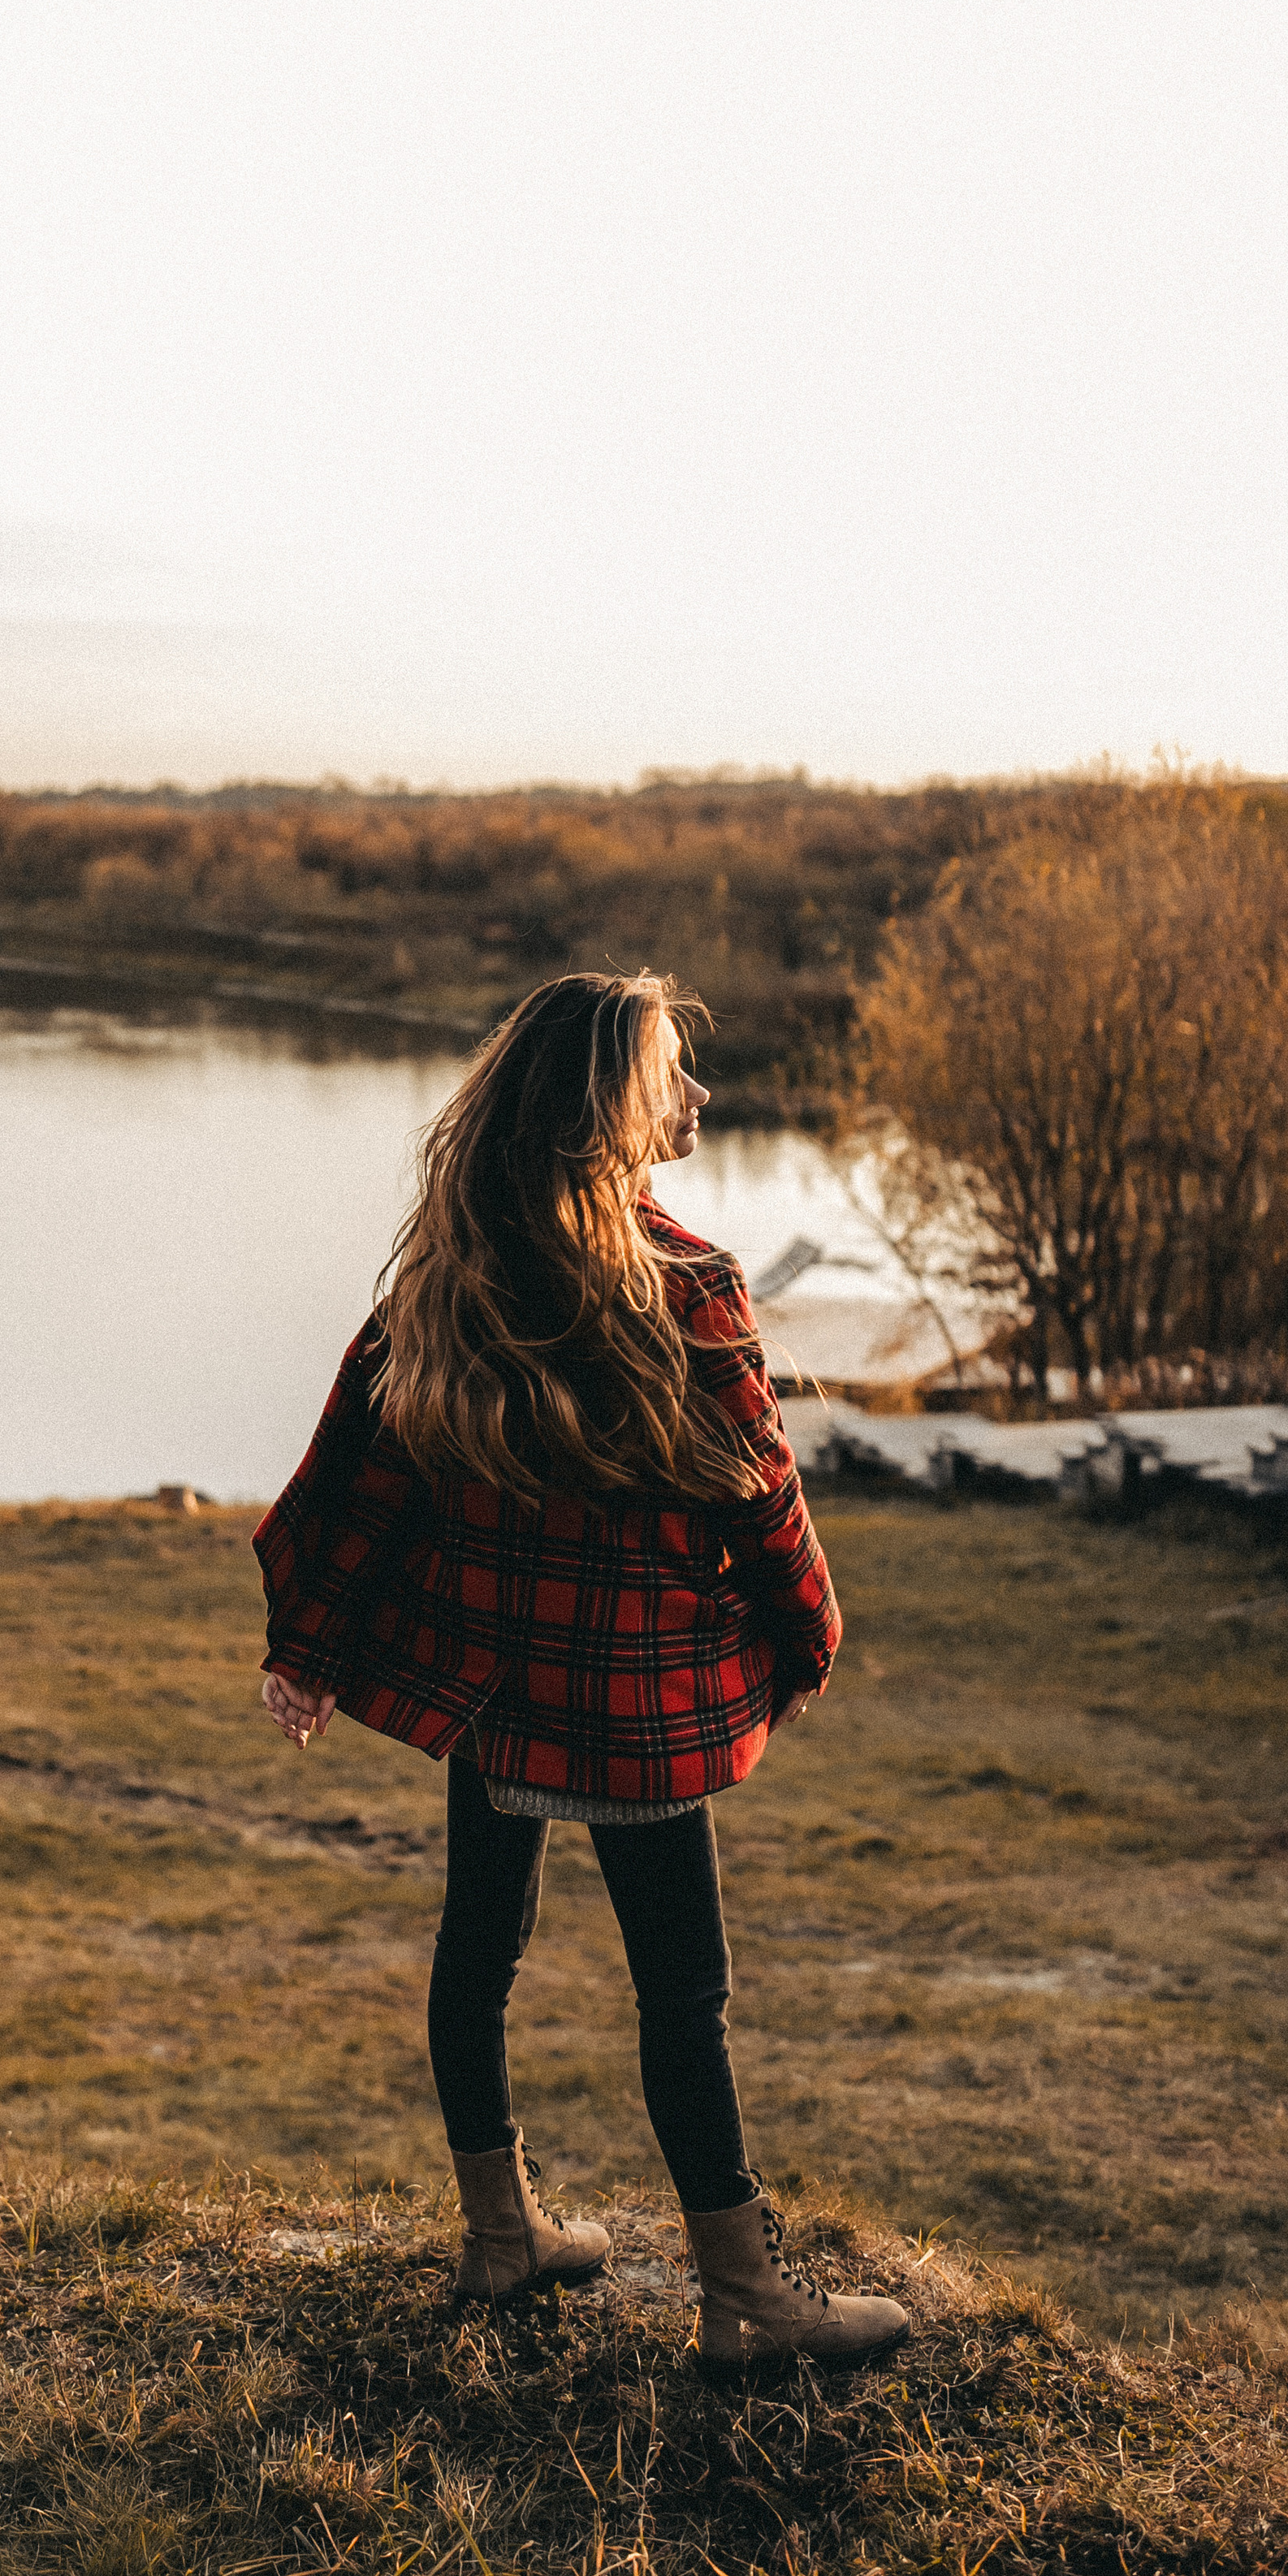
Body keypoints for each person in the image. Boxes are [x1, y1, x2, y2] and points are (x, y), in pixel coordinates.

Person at [253, 971, 908, 2379]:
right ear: (610, 1108)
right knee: (685, 1995)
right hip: (635, 1706)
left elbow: (361, 1479)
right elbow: (764, 1495)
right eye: (675, 1073)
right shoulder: (687, 1287)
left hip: (502, 1696)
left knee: (479, 1954)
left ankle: (503, 2238)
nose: (699, 1095)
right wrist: (811, 1637)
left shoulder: (453, 1278)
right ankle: (744, 2299)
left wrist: (310, 1645)